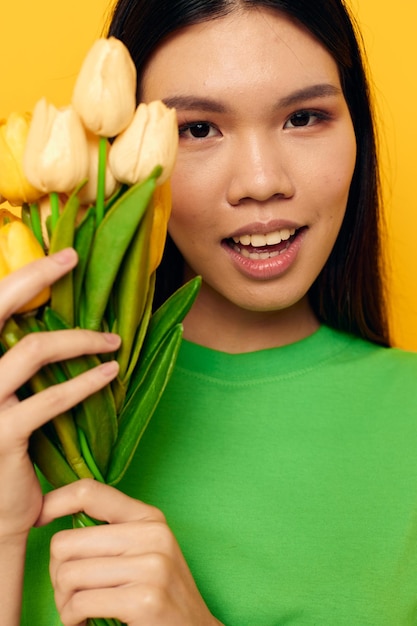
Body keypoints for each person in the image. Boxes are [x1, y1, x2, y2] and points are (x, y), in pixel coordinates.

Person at [2, 0, 417, 624]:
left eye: (304, 117)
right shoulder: (29, 411)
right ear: (122, 147)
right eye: (197, 128)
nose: (260, 181)